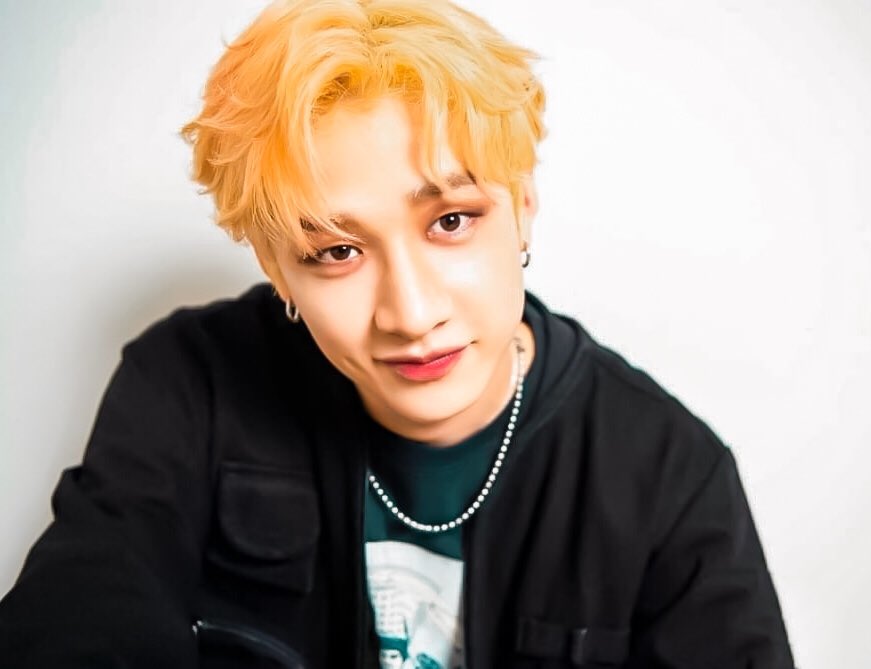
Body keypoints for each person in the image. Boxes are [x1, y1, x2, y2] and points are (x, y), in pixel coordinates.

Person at [0, 0, 794, 666]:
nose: (411, 314)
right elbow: (78, 614)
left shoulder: (670, 477)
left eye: (452, 221)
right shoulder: (190, 385)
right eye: (336, 251)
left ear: (523, 206)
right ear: (278, 270)